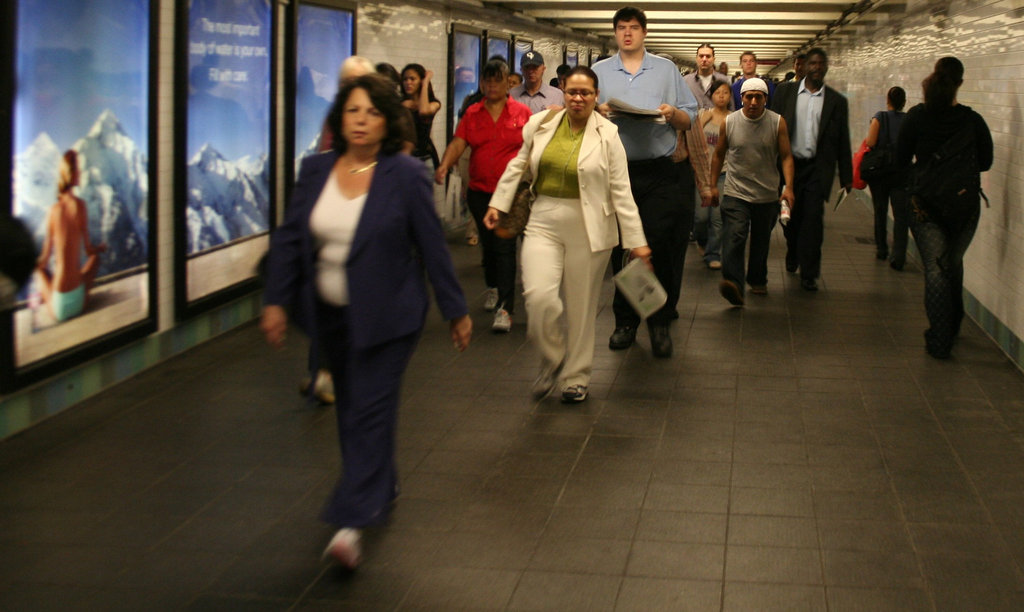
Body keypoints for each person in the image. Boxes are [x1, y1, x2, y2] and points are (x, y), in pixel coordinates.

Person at [261, 74, 472, 570]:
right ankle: (382, 478)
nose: (361, 120)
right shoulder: (316, 170)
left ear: (386, 121)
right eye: (353, 111)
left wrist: (456, 309)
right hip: (331, 316)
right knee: (353, 406)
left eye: (372, 112)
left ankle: (351, 522)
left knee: (368, 408)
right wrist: (274, 301)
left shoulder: (404, 175)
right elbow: (291, 237)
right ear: (340, 117)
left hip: (390, 316)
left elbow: (431, 244)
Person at [484, 66, 650, 403]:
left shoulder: (608, 134)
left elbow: (621, 189)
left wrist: (636, 241)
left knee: (580, 306)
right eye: (572, 92)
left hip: (589, 226)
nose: (578, 98)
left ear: (595, 96)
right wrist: (498, 203)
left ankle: (576, 377)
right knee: (539, 296)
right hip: (543, 218)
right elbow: (519, 164)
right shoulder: (541, 124)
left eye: (585, 93)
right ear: (562, 90)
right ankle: (552, 355)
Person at [592, 6, 698, 358]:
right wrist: (599, 110)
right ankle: (625, 321)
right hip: (617, 171)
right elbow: (582, 113)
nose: (627, 33)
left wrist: (671, 114)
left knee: (658, 246)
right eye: (621, 28)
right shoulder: (600, 71)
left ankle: (659, 321)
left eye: (634, 28)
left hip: (660, 170)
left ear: (644, 32)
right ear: (615, 33)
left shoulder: (666, 69)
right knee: (624, 248)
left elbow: (689, 119)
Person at [897, 57, 993, 359]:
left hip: (926, 208)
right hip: (965, 207)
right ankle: (954, 324)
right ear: (960, 83)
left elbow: (901, 161)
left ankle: (940, 339)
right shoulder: (972, 120)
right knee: (952, 261)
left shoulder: (916, 117)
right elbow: (987, 161)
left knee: (937, 269)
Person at [435, 59, 531, 332]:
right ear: (481, 84)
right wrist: (444, 165)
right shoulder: (473, 113)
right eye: (487, 81)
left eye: (497, 80)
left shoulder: (521, 113)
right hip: (479, 191)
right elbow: (458, 143)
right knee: (488, 247)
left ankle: (505, 308)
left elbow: (533, 146)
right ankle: (493, 285)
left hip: (510, 194)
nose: (491, 85)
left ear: (507, 83)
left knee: (504, 246)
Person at [771, 47, 852, 291]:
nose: (816, 68)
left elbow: (842, 139)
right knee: (790, 219)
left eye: (820, 64)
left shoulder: (837, 101)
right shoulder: (785, 92)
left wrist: (847, 175)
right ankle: (793, 250)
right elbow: (771, 128)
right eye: (812, 64)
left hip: (818, 169)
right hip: (789, 167)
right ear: (804, 67)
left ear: (826, 67)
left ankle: (810, 272)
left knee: (813, 221)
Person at [709, 78, 795, 306]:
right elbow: (718, 154)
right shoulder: (730, 122)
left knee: (760, 240)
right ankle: (734, 284)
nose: (754, 101)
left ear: (766, 99)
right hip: (736, 191)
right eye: (749, 97)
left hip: (767, 194)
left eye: (759, 97)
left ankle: (757, 279)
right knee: (734, 236)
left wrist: (789, 188)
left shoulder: (777, 123)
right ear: (742, 98)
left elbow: (786, 156)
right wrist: (711, 185)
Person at [35, 150, 107, 323]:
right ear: (72, 174)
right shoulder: (81, 207)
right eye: (78, 170)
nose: (81, 173)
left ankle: (45, 297)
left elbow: (44, 259)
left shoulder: (53, 211)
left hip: (58, 306)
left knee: (40, 271)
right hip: (79, 300)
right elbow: (89, 251)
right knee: (95, 259)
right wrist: (99, 248)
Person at [687, 80, 733, 269]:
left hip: (723, 173)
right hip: (702, 174)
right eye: (717, 93)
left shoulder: (733, 119)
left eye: (725, 93)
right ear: (711, 96)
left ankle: (714, 253)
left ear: (730, 96)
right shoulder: (703, 116)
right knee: (701, 217)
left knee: (717, 217)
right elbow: (691, 137)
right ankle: (702, 240)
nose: (721, 96)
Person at [862, 86, 908, 269]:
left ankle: (882, 250)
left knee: (880, 211)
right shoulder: (908, 120)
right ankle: (899, 255)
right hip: (901, 172)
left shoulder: (879, 117)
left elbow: (871, 142)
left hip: (880, 172)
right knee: (901, 216)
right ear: (904, 102)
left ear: (887, 100)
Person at [400, 63, 441, 170]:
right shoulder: (400, 103)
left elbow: (424, 111)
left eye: (412, 79)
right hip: (404, 159)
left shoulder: (434, 103)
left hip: (424, 158)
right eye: (405, 79)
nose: (408, 82)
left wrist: (425, 82)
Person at [683, 44, 733, 111]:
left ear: (713, 59)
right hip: (693, 120)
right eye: (701, 56)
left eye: (708, 56)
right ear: (696, 58)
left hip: (718, 121)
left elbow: (731, 106)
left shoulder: (724, 80)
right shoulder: (686, 81)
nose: (704, 59)